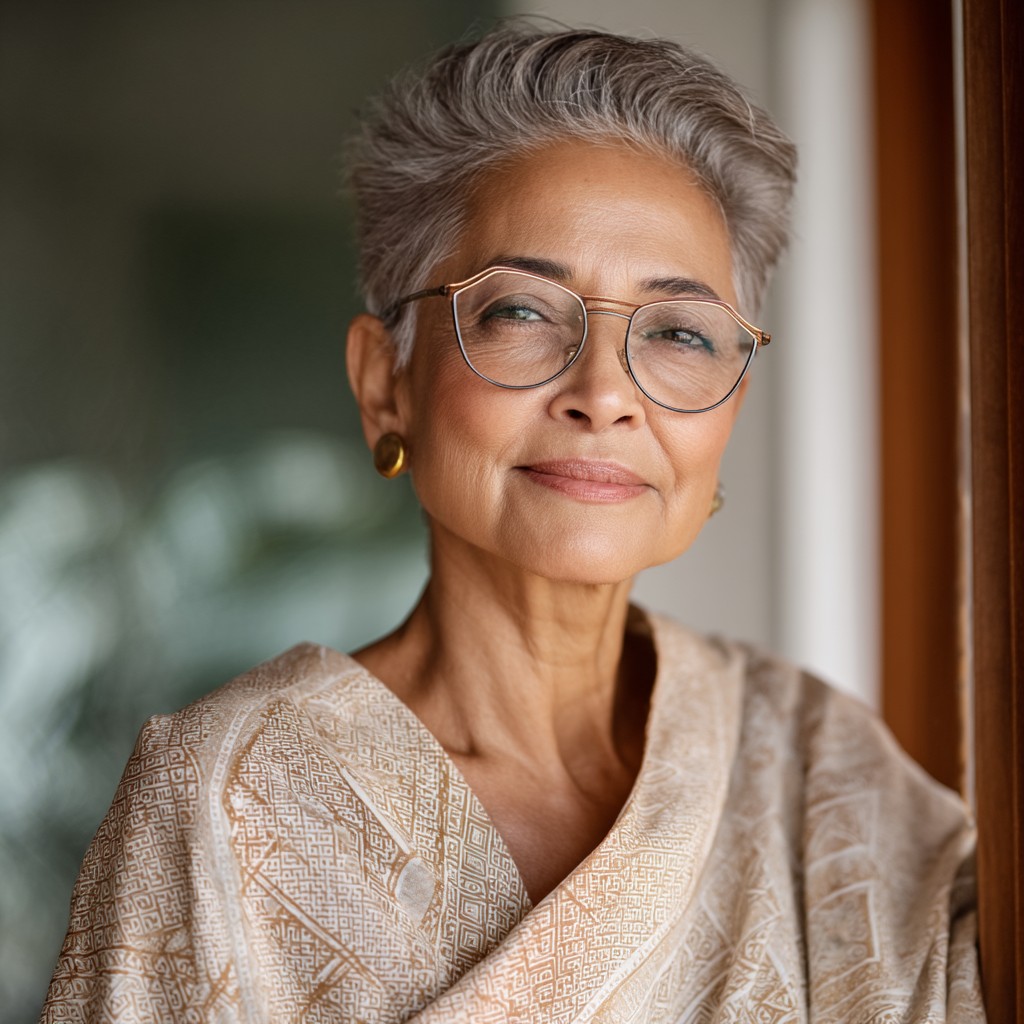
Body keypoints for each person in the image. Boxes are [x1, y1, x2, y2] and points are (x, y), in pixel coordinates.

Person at [41, 24, 984, 1024]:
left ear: (726, 414)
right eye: (523, 312)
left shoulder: (816, 772)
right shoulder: (226, 799)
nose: (604, 394)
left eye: (677, 332)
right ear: (384, 383)